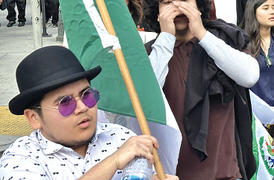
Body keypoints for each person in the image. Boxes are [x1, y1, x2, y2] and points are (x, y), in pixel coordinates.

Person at [143, 0, 259, 179]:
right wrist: (167, 38)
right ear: (157, 12)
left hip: (226, 171)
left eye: (185, 0)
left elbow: (249, 76)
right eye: (167, 2)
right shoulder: (151, 52)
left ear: (199, 6)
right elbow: (145, 98)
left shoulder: (223, 38)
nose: (177, 7)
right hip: (173, 173)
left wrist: (202, 34)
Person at [0, 46, 177, 180]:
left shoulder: (121, 137)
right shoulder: (20, 157)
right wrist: (113, 161)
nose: (83, 107)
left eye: (87, 95)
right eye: (65, 103)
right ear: (34, 117)